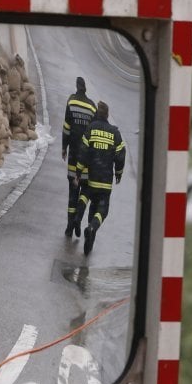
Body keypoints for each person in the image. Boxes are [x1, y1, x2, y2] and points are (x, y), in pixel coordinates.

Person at [73, 101, 126, 254]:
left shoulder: (91, 129)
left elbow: (82, 152)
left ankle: (78, 217)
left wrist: (78, 171)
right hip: (105, 181)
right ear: (107, 115)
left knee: (85, 194)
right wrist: (118, 173)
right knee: (102, 209)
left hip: (92, 177)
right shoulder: (115, 133)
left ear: (97, 113)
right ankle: (92, 227)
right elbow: (121, 155)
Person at [62, 77, 97, 238]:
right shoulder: (92, 106)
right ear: (85, 88)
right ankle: (78, 220)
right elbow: (94, 134)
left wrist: (64, 147)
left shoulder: (71, 102)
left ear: (77, 87)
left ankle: (70, 226)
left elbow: (67, 128)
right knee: (85, 190)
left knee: (72, 192)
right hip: (87, 160)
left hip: (74, 157)